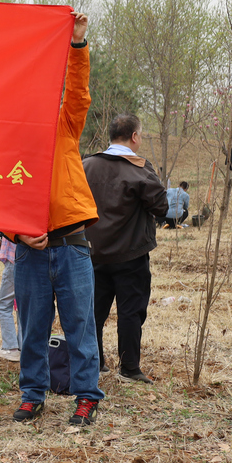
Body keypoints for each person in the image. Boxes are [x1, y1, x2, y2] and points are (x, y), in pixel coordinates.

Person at [8, 12, 103, 427]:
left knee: (81, 325)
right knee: (32, 328)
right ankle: (33, 395)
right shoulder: (9, 142)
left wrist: (77, 44)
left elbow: (78, 94)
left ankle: (86, 397)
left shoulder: (64, 124)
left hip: (72, 246)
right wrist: (16, 234)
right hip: (28, 250)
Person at [83, 114, 168, 385]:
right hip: (131, 255)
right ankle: (129, 367)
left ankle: (95, 363)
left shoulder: (85, 166)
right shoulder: (140, 169)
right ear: (134, 137)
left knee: (93, 311)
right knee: (131, 312)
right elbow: (162, 207)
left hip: (92, 253)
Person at [0, 232, 20, 362]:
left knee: (3, 305)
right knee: (22, 305)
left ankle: (11, 348)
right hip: (27, 260)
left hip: (14, 261)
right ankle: (23, 347)